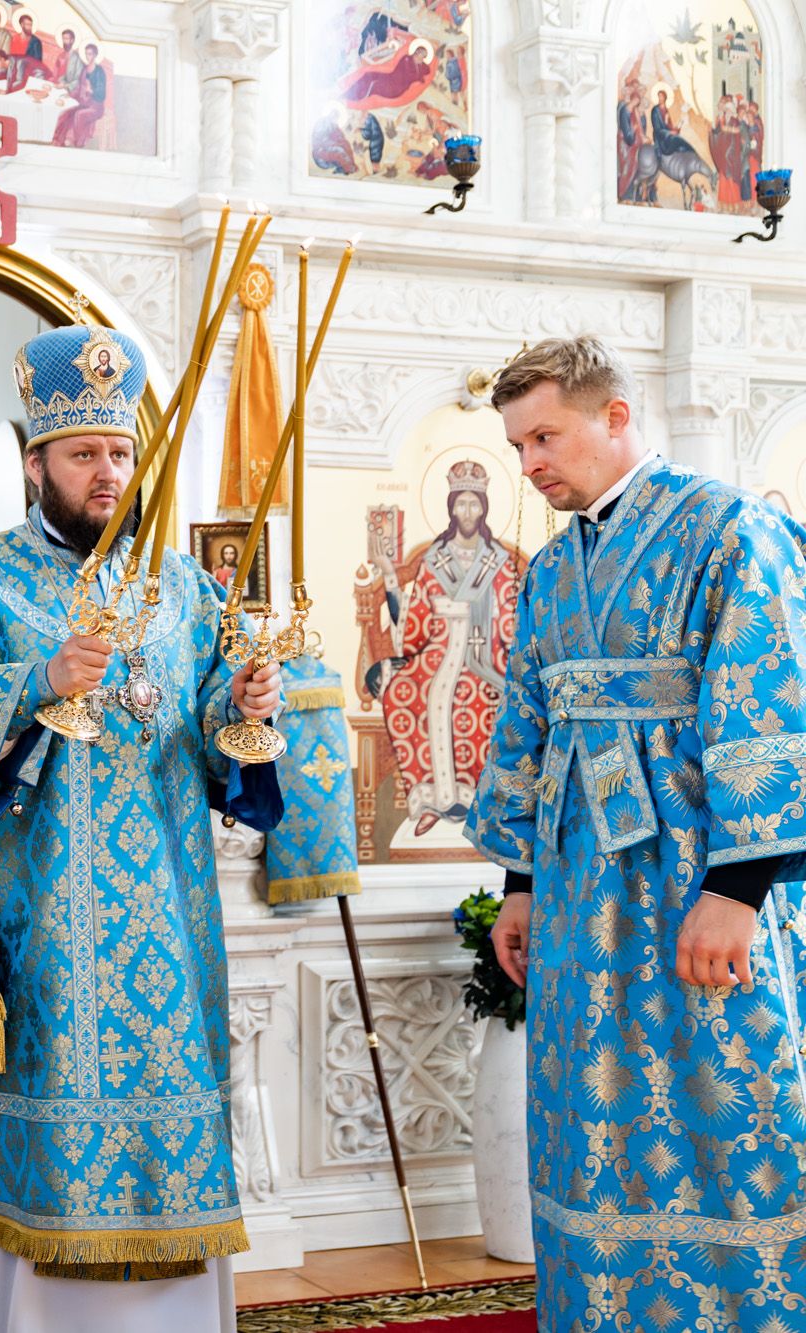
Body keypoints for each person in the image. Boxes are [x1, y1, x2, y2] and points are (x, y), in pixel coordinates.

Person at [0, 319, 283, 1330]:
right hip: (41, 927)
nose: (108, 472)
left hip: (168, 926)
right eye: (83, 454)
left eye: (120, 451)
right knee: (48, 1135)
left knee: (171, 1125)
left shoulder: (183, 588)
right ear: (36, 463)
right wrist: (38, 678)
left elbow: (211, 738)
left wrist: (245, 707)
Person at [468, 336, 806, 1331]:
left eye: (543, 437)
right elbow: (525, 725)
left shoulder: (728, 529)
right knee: (591, 1121)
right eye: (516, 445)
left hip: (697, 891)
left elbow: (772, 702)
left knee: (729, 1105)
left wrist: (737, 891)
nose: (528, 464)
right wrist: (519, 885)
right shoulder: (550, 569)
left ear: (614, 416)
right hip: (579, 905)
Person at [358, 460, 521, 839]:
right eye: (461, 503)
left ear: (484, 508)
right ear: (451, 508)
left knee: (474, 697)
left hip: (486, 655)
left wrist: (492, 633)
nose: (468, 512)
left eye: (474, 503)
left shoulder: (499, 562)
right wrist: (388, 574)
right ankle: (434, 802)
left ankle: (480, 801)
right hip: (437, 650)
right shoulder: (435, 560)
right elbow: (412, 627)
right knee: (402, 693)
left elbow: (513, 620)